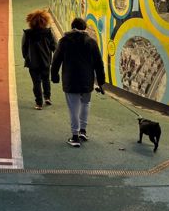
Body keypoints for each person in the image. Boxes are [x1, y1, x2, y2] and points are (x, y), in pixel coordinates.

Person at [51, 17, 106, 148]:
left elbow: (56, 60)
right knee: (85, 104)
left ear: (72, 27)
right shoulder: (92, 42)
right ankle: (83, 131)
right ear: (84, 28)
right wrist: (101, 81)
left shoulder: (64, 41)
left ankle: (75, 136)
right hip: (87, 80)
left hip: (70, 80)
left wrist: (54, 76)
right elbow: (99, 64)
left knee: (73, 108)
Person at [21, 9, 57, 110]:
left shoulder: (27, 33)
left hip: (33, 63)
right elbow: (54, 46)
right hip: (46, 61)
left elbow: (24, 48)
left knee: (36, 83)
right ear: (45, 21)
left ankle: (39, 103)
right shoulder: (48, 32)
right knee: (46, 80)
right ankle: (47, 97)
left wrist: (26, 57)